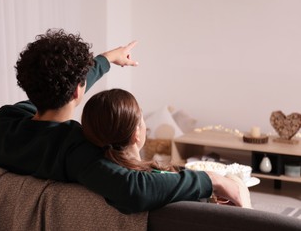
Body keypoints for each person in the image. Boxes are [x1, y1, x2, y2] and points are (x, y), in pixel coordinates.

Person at [0, 28, 243, 214]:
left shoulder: (6, 121)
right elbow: (133, 190)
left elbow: (59, 91)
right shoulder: (75, 149)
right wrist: (212, 180)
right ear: (78, 92)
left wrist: (105, 60)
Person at [82, 88, 251, 207]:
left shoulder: (87, 176)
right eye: (141, 119)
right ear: (136, 135)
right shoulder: (165, 185)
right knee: (236, 181)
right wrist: (218, 181)